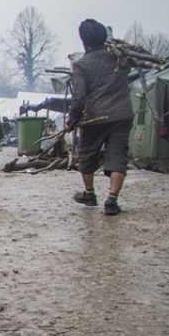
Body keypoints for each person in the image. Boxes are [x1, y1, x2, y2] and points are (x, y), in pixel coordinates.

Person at [67, 19, 132, 215]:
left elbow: (79, 98)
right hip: (121, 115)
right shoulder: (120, 56)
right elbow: (146, 56)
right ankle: (112, 200)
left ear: (83, 41)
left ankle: (90, 194)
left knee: (87, 154)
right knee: (118, 155)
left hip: (94, 118)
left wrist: (72, 120)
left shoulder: (81, 65)